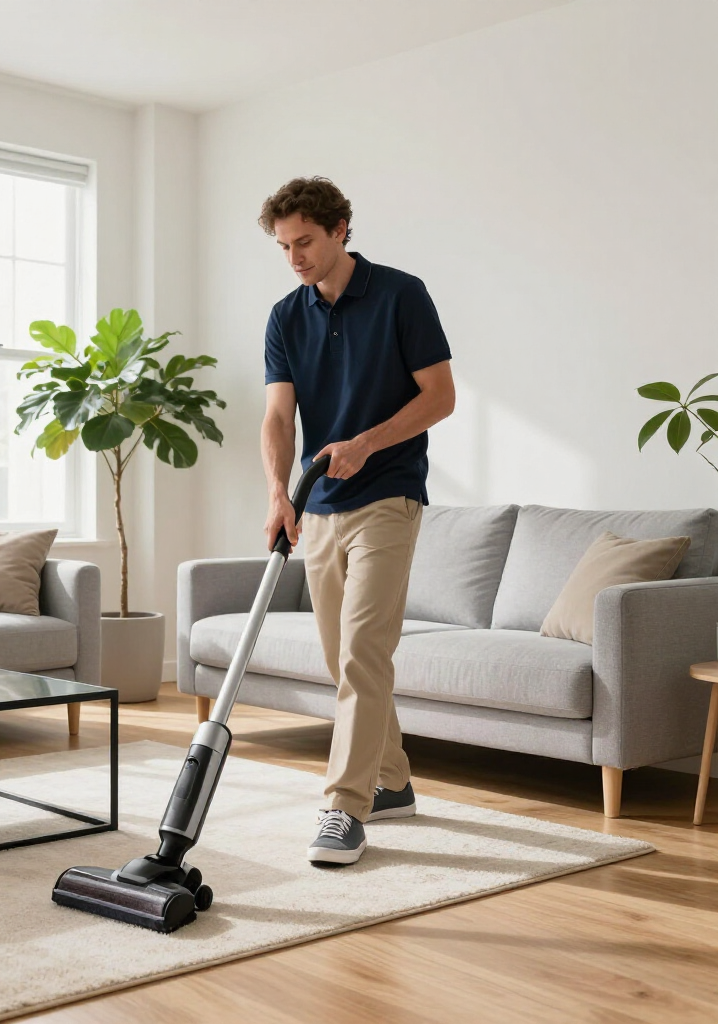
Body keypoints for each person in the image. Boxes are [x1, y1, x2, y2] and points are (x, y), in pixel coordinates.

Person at [258, 177, 455, 866]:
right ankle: (393, 781)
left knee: (363, 653)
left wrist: (368, 443)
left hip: (389, 498)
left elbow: (441, 397)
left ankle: (345, 807)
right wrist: (279, 494)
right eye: (283, 247)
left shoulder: (402, 295)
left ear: (342, 228)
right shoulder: (286, 316)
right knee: (343, 658)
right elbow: (279, 416)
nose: (295, 258)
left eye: (305, 241)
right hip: (320, 507)